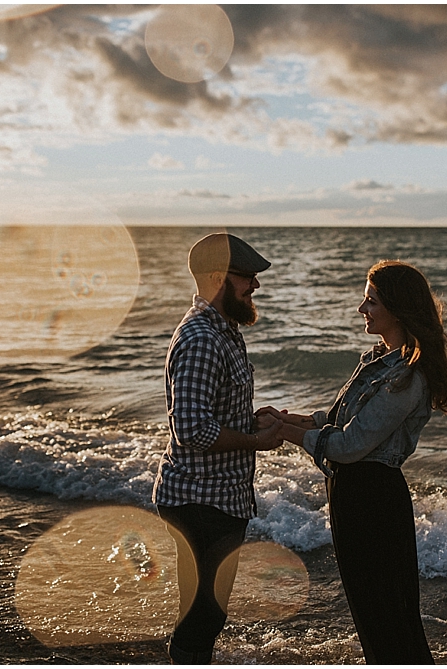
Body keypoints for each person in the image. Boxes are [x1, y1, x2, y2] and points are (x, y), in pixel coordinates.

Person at [256, 259, 447, 664]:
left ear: (397, 309)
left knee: (388, 615)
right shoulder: (377, 360)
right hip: (352, 494)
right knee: (370, 612)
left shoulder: (408, 377)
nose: (362, 310)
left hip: (374, 499)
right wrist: (289, 418)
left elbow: (351, 444)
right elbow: (338, 421)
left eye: (371, 302)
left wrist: (287, 435)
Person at [153, 232, 284, 665]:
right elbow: (190, 429)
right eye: (245, 276)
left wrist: (252, 420)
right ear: (216, 278)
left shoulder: (223, 330)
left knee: (208, 614)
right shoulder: (201, 339)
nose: (255, 285)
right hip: (199, 500)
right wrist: (254, 441)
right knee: (202, 617)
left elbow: (209, 415)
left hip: (216, 496)